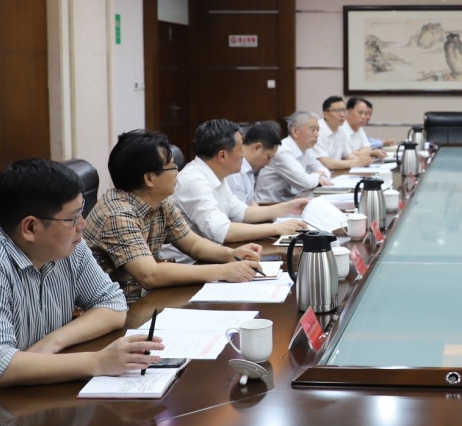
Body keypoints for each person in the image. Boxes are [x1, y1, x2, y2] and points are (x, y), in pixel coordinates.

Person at [0, 158, 163, 426]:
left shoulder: (68, 246)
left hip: (28, 407)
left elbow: (113, 303)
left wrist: (52, 342)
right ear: (30, 227)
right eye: (72, 218)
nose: (82, 224)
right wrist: (97, 361)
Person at [83, 129, 262, 298]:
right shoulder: (117, 215)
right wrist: (223, 271)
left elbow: (193, 244)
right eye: (172, 166)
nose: (177, 172)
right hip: (118, 309)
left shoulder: (160, 201)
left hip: (147, 299)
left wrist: (231, 255)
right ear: (149, 178)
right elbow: (150, 275)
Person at [171, 119, 310, 244]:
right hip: (190, 261)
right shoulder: (194, 181)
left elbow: (242, 212)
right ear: (222, 155)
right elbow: (221, 231)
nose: (244, 154)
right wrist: (276, 228)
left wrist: (289, 207)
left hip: (214, 252)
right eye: (240, 149)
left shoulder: (216, 175)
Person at [255, 110, 335, 202]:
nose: (317, 134)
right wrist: (317, 175)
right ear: (295, 132)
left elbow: (324, 170)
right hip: (270, 205)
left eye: (318, 130)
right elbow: (306, 183)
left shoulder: (306, 148)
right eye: (312, 130)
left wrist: (318, 177)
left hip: (291, 201)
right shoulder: (283, 151)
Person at [316, 95, 373, 171]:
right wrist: (357, 162)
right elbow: (327, 163)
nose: (342, 115)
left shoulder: (340, 128)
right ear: (325, 114)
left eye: (344, 110)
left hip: (334, 173)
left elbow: (347, 155)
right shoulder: (317, 130)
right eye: (337, 111)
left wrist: (364, 161)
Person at [227, 122, 279, 203]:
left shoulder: (249, 169)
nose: (268, 163)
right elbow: (240, 210)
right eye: (268, 157)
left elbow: (250, 203)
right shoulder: (234, 170)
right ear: (256, 148)